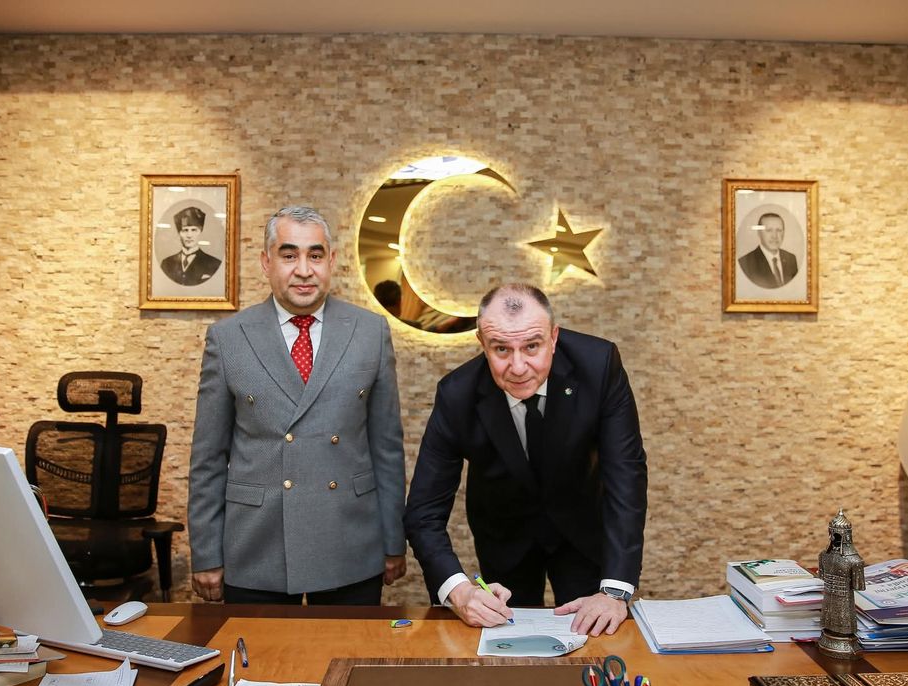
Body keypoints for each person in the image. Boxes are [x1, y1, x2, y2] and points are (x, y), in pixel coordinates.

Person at [187, 205, 407, 605]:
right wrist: (206, 552)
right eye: (289, 255)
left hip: (349, 541)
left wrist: (394, 540)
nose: (304, 270)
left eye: (315, 255)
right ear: (266, 262)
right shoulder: (228, 337)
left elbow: (387, 448)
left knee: (348, 646)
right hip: (257, 545)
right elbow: (208, 458)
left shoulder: (370, 332)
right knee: (259, 648)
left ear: (332, 261)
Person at [404, 283, 648, 636]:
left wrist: (615, 591)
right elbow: (423, 511)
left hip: (582, 527)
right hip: (504, 532)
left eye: (532, 346)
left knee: (593, 634)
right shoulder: (457, 394)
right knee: (506, 644)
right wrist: (458, 590)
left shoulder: (599, 365)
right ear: (482, 343)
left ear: (554, 337)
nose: (518, 367)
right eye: (501, 349)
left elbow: (626, 475)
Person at [161, 206, 222, 286]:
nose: (189, 235)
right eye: (185, 230)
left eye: (194, 230)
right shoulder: (167, 263)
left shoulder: (214, 264)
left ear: (200, 232)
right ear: (179, 233)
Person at [737, 212, 798, 289]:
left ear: (784, 232)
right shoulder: (745, 263)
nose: (774, 236)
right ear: (759, 233)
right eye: (769, 230)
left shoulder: (791, 259)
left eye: (779, 230)